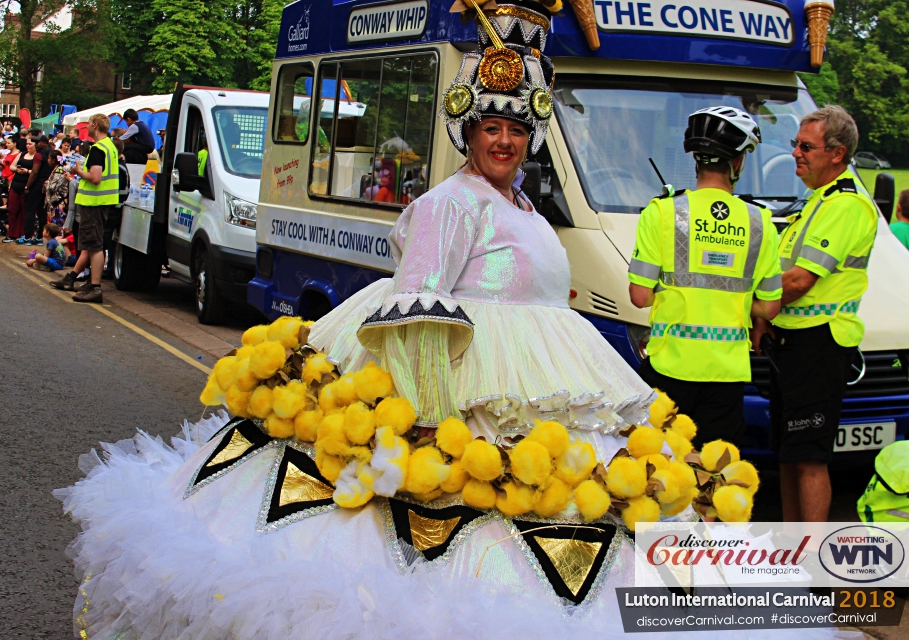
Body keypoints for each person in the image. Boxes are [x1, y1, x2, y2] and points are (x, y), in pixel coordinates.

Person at [54, 4, 758, 637]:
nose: (505, 141)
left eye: (517, 128)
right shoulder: (450, 203)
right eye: (491, 128)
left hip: (535, 392)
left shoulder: (523, 208)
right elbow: (416, 305)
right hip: (457, 397)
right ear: (469, 132)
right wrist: (427, 420)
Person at [628, 106, 783, 448]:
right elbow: (770, 309)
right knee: (715, 476)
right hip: (726, 375)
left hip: (670, 367)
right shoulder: (761, 223)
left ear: (696, 159)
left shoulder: (663, 212)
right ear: (737, 162)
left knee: (657, 472)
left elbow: (639, 296)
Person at [752, 105, 877, 522]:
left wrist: (744, 306)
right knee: (789, 454)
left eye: (806, 146)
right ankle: (793, 549)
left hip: (819, 343)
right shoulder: (817, 201)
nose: (795, 154)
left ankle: (813, 563)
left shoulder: (845, 205)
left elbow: (799, 281)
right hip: (792, 343)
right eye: (795, 144)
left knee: (808, 457)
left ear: (837, 153)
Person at [49, 114, 119, 303]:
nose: (86, 127)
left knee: (95, 246)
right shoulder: (110, 146)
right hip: (104, 202)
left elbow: (95, 177)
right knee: (91, 243)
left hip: (94, 203)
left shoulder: (97, 149)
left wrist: (78, 171)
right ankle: (80, 280)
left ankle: (95, 287)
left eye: (88, 124)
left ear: (95, 125)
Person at [3, 138, 31, 244]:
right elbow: (12, 167)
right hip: (16, 184)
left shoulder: (37, 156)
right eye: (27, 144)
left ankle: (24, 234)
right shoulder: (21, 154)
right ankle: (11, 234)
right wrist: (18, 170)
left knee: (25, 211)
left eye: (30, 144)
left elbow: (37, 171)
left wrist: (27, 171)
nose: (28, 145)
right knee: (13, 210)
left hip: (27, 186)